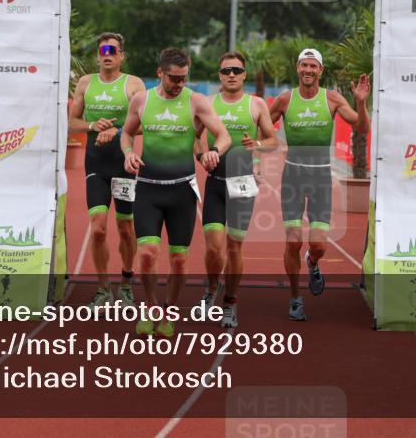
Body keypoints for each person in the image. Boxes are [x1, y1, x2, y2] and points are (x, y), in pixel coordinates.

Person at [121, 47, 231, 338]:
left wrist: (214, 151)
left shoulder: (196, 101)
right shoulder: (142, 100)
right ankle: (150, 309)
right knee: (147, 254)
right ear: (160, 73)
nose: (180, 84)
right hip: (148, 189)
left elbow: (224, 135)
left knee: (179, 260)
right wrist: (128, 153)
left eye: (184, 78)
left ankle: (169, 312)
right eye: (174, 78)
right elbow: (127, 133)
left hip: (182, 191)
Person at [269, 48, 370, 321]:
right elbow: (262, 126)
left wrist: (361, 103)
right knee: (293, 241)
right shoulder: (285, 99)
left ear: (320, 70)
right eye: (304, 65)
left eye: (313, 66)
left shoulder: (332, 98)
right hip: (292, 176)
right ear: (298, 67)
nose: (308, 70)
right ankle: (295, 298)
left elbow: (362, 127)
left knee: (319, 245)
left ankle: (312, 263)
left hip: (321, 178)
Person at [195, 51, 277, 329]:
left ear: (244, 75)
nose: (231, 74)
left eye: (236, 70)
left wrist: (258, 144)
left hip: (243, 183)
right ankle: (211, 288)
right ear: (219, 75)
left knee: (234, 247)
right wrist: (201, 156)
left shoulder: (256, 104)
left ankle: (230, 302)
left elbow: (273, 140)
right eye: (226, 70)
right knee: (213, 247)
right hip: (216, 182)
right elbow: (194, 137)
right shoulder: (208, 103)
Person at [68, 32, 146, 310]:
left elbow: (144, 122)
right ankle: (103, 290)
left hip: (123, 164)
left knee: (126, 229)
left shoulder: (133, 84)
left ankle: (126, 284)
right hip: (96, 165)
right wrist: (92, 126)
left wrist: (117, 130)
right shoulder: (86, 83)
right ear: (98, 55)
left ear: (121, 55)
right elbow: (72, 122)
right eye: (103, 50)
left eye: (113, 50)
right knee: (98, 229)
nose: (108, 55)